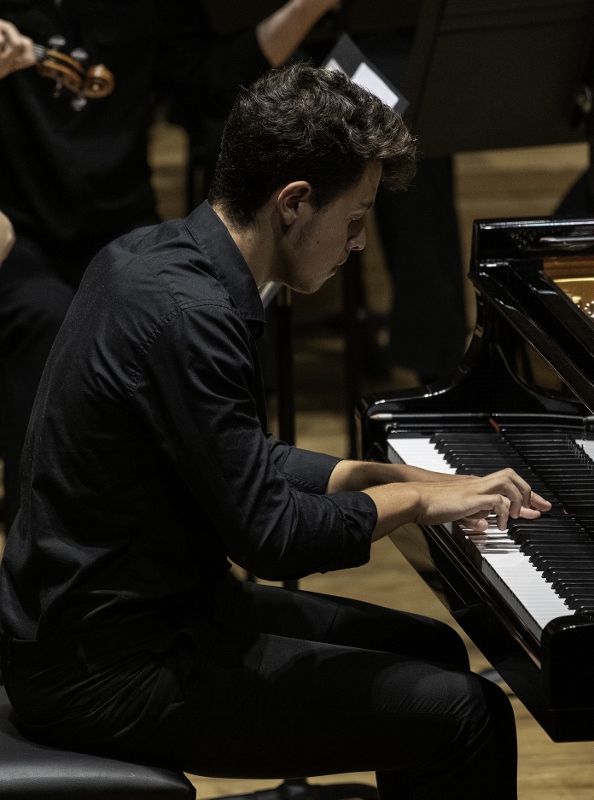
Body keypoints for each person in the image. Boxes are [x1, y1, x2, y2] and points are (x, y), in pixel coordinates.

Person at [0, 63, 550, 799]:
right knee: (468, 713)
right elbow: (271, 536)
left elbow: (236, 457)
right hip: (109, 670)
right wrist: (419, 505)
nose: (358, 245)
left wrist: (380, 476)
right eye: (354, 220)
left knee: (431, 648)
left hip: (130, 616)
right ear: (293, 203)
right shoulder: (192, 319)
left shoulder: (151, 256)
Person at [0, 0, 340, 531]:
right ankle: (41, 540)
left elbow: (208, 81)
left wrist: (305, 7)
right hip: (16, 230)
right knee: (45, 320)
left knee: (190, 313)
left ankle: (206, 524)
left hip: (117, 219)